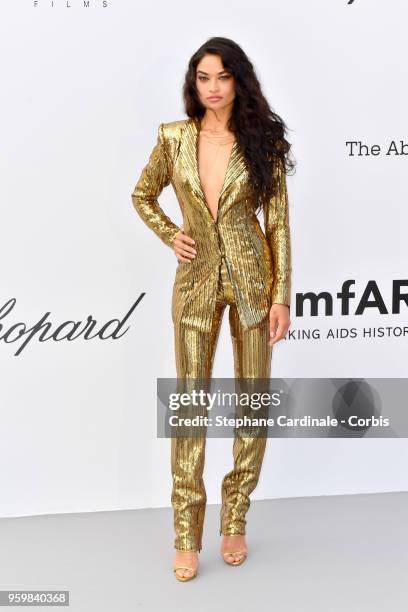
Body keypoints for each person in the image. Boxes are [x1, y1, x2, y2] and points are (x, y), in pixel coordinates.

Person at [131, 36, 294, 582]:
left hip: (252, 283)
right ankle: (185, 532)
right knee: (191, 408)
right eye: (204, 77)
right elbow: (142, 195)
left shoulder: (262, 141)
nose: (213, 88)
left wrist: (280, 294)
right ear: (193, 83)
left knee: (252, 404)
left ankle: (236, 518)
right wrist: (170, 233)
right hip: (195, 285)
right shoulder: (174, 138)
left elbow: (278, 225)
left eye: (223, 77)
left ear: (238, 80)